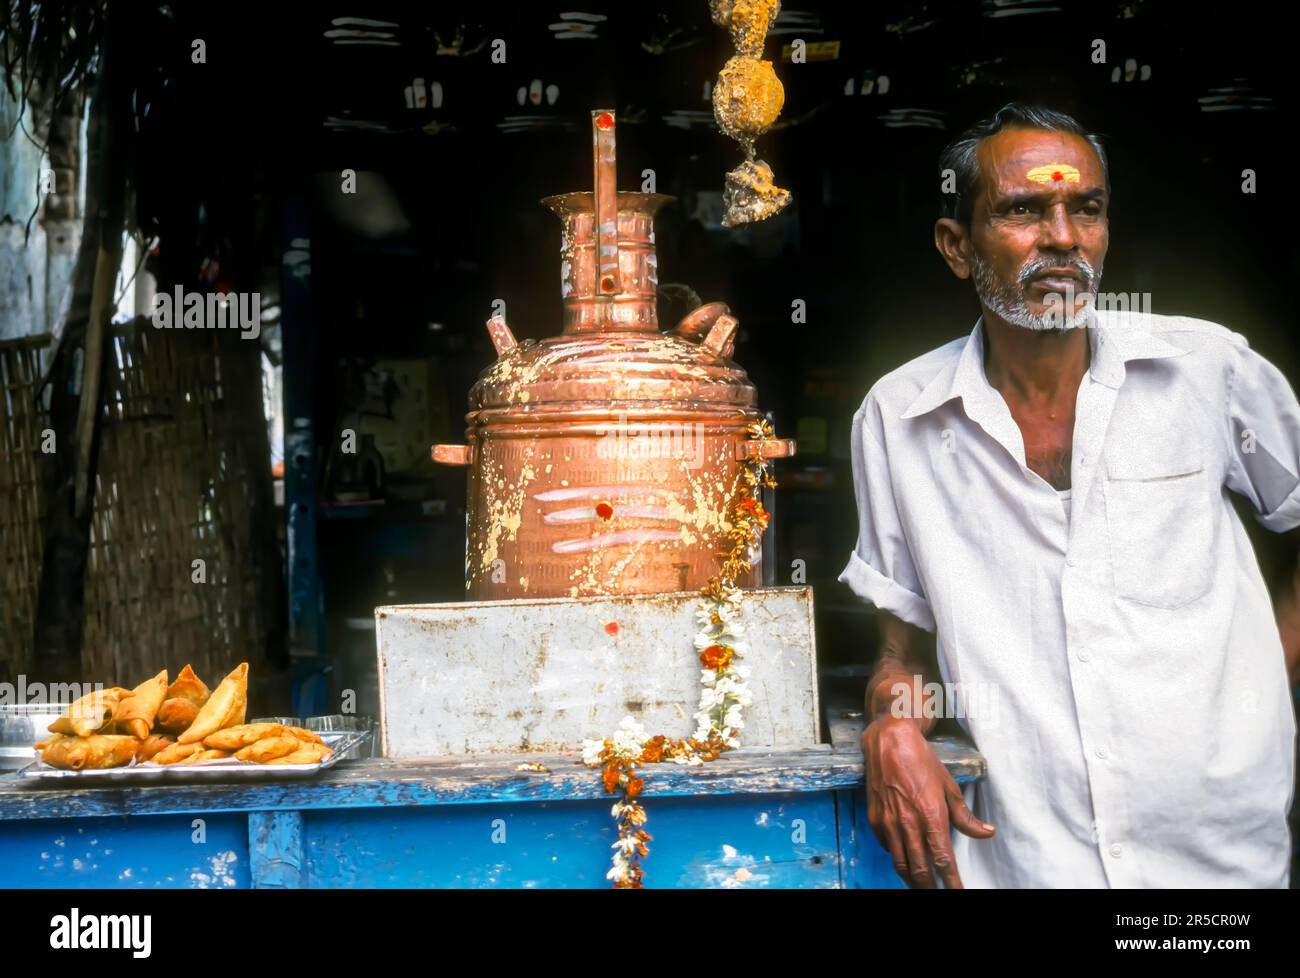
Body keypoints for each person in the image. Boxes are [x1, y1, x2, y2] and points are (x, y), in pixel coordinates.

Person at [842, 102, 1300, 888]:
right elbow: (901, 651)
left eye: (1085, 207)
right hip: (1028, 860)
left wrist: (1261, 689)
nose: (1063, 236)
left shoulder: (1207, 371)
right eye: (1023, 210)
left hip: (1219, 859)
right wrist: (891, 725)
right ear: (957, 247)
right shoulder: (900, 416)